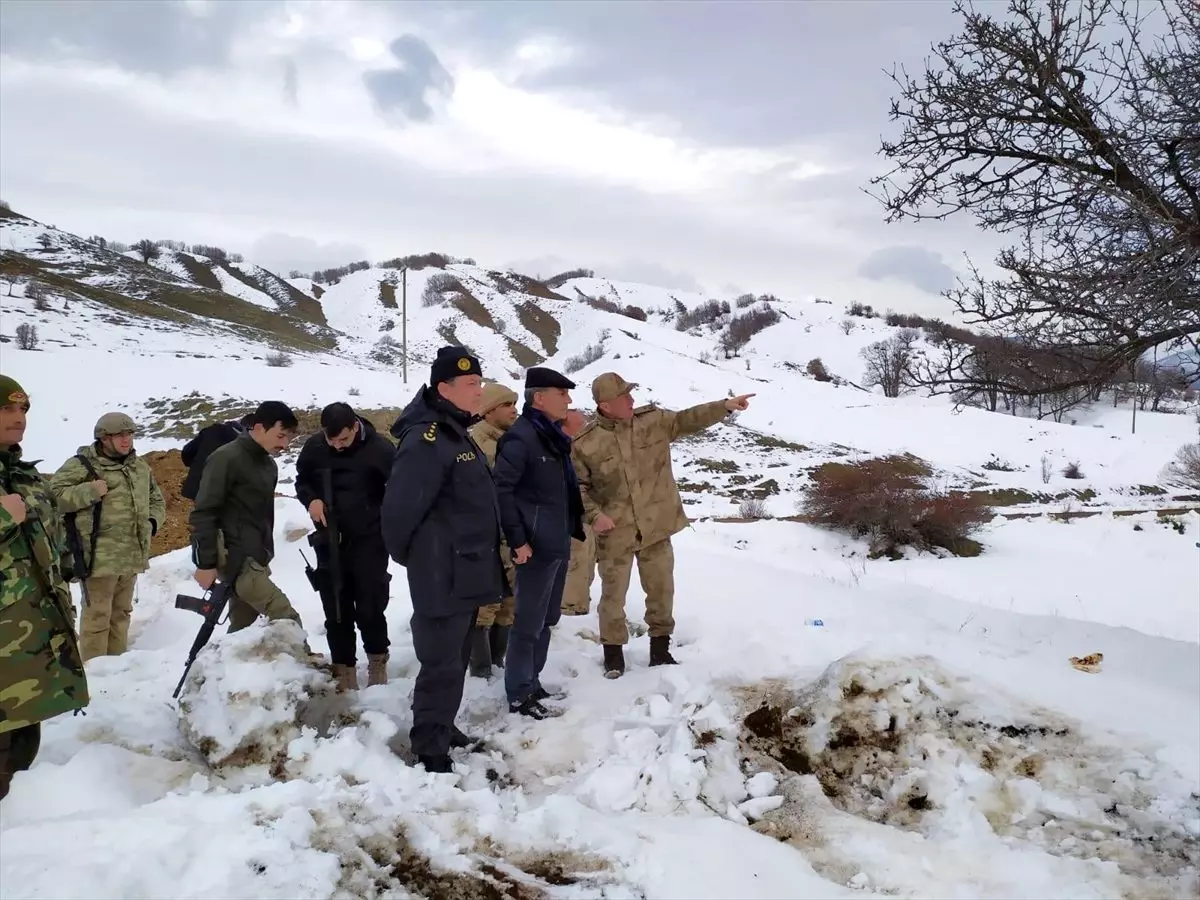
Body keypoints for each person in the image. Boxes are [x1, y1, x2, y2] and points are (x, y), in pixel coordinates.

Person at [571, 372, 754, 678]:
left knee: (661, 589)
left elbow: (688, 419)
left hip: (656, 526)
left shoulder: (652, 421)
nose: (631, 399)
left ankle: (660, 649)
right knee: (613, 595)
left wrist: (725, 406)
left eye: (631, 393)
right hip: (615, 531)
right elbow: (577, 487)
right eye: (624, 396)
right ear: (605, 405)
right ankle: (613, 656)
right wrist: (594, 515)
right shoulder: (585, 444)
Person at [382, 347, 507, 773]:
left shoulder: (454, 431)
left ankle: (442, 725)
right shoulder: (427, 439)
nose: (480, 391)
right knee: (439, 659)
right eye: (472, 385)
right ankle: (429, 748)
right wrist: (420, 559)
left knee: (454, 657)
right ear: (444, 389)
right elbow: (399, 513)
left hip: (464, 568)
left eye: (479, 382)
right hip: (442, 571)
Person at [0, 375, 89, 801]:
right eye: (6, 409)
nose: (18, 420)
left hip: (29, 646)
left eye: (23, 410)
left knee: (21, 757)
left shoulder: (25, 476)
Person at [492, 367, 585, 718]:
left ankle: (533, 682)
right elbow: (502, 490)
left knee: (546, 619)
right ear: (540, 398)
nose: (569, 400)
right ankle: (518, 694)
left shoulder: (550, 436)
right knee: (527, 623)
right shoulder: (521, 438)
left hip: (556, 541)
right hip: (533, 546)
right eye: (563, 394)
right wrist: (518, 540)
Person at [48, 412, 167, 661]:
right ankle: (94, 676)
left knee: (121, 614)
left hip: (131, 554)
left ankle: (116, 671)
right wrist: (90, 490)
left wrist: (152, 523)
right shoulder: (82, 465)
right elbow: (52, 496)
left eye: (130, 434)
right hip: (98, 557)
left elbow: (156, 498)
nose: (126, 440)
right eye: (119, 435)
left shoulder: (139, 466)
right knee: (97, 617)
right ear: (103, 438)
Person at [295, 402, 395, 691]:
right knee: (336, 608)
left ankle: (377, 661)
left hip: (370, 540)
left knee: (370, 606)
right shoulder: (314, 448)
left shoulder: (381, 450)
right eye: (331, 440)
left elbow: (400, 491)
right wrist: (310, 499)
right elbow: (303, 480)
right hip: (329, 541)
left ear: (355, 427)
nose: (337, 446)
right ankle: (344, 669)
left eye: (344, 440)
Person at [189, 401, 304, 633]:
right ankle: (306, 667)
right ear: (260, 427)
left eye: (288, 439)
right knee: (286, 618)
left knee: (243, 629)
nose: (285, 444)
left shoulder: (268, 465)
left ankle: (228, 669)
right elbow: (204, 512)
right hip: (237, 559)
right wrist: (205, 563)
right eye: (280, 436)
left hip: (257, 557)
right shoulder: (225, 458)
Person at [466, 382, 520, 678]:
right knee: (485, 606)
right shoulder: (476, 445)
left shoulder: (513, 441)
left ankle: (497, 662)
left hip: (510, 536)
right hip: (486, 539)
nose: (514, 410)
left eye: (514, 403)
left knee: (509, 604)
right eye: (506, 405)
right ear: (488, 411)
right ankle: (481, 671)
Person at [560, 408, 596, 616]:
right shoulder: (562, 450)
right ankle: (570, 608)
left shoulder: (581, 449)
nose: (584, 428)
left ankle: (579, 602)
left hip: (585, 518)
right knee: (574, 563)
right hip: (570, 518)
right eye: (579, 424)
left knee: (586, 563)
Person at [180, 412, 255, 501]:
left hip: (197, 487)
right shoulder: (247, 445)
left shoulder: (211, 430)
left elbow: (186, 452)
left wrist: (197, 467)